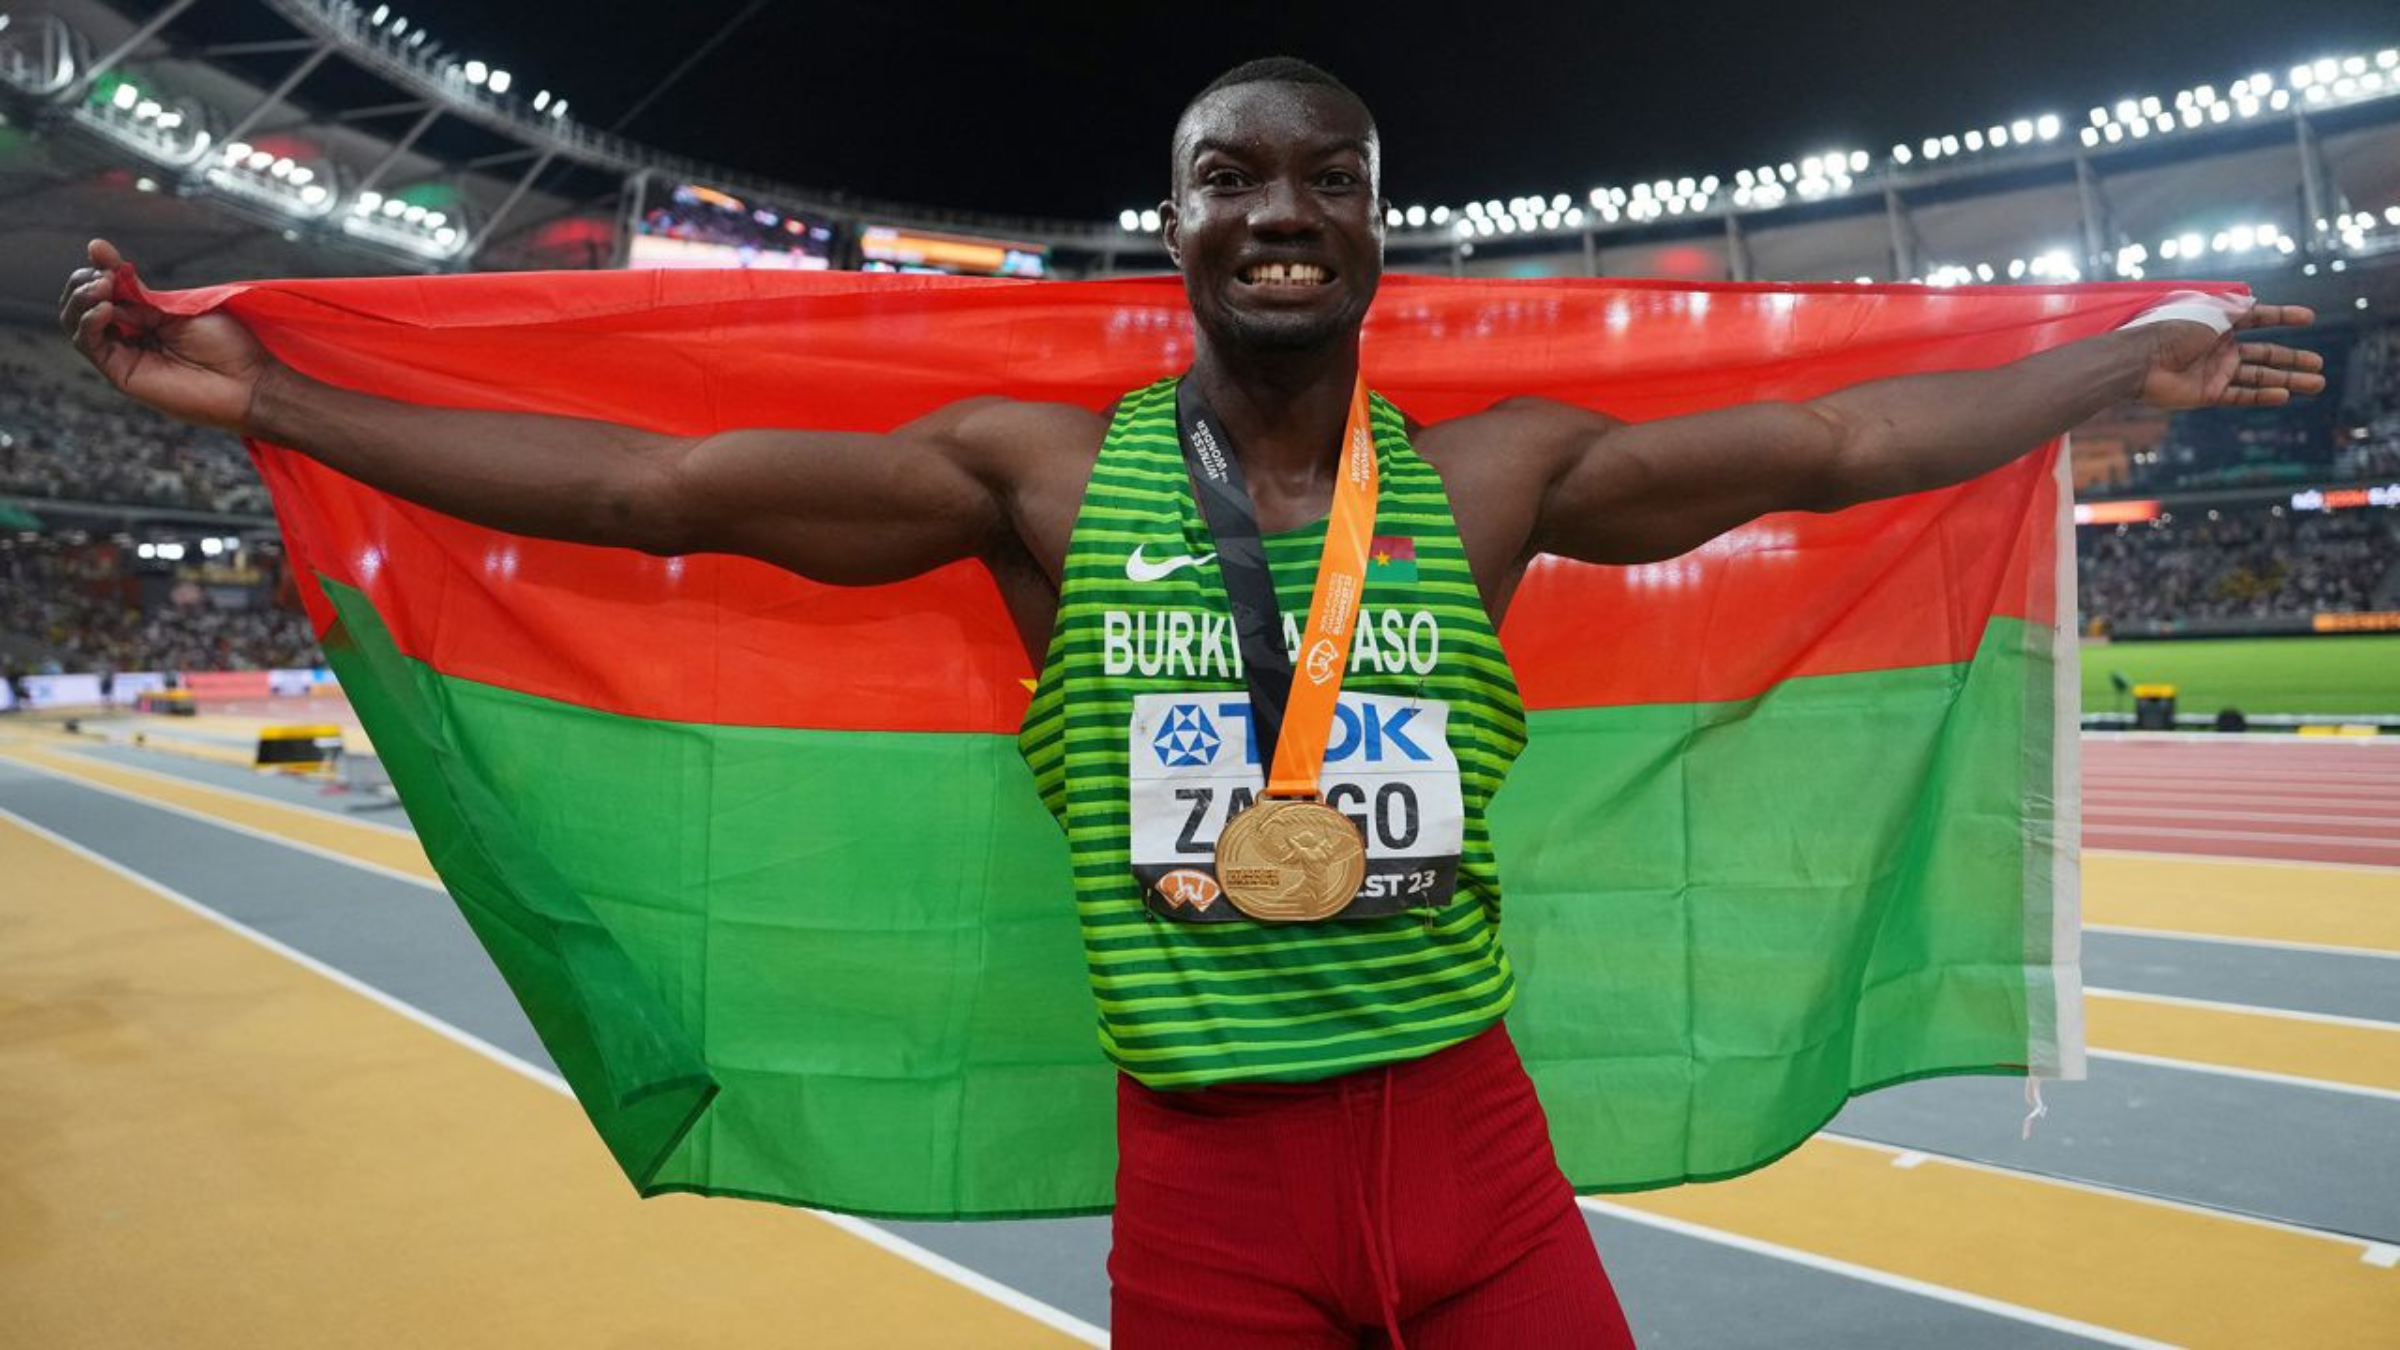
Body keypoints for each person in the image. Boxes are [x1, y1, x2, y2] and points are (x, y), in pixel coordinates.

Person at [59, 55, 2320, 1350]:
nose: (1280, 210)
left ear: (1373, 232)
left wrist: (2111, 367)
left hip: (1478, 1156)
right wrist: (285, 403)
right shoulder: (1034, 480)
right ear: (1174, 228)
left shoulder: (1496, 475)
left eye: (1326, 181)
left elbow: (1839, 452)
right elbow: (660, 479)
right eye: (1231, 177)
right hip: (1216, 1189)